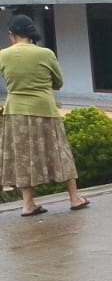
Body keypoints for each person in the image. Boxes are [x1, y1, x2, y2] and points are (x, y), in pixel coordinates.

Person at [0, 15, 89, 216]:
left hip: (16, 112)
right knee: (59, 152)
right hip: (44, 109)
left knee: (23, 157)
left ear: (13, 35)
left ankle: (27, 204)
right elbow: (58, 82)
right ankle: (74, 198)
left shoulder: (3, 55)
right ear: (32, 34)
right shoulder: (46, 54)